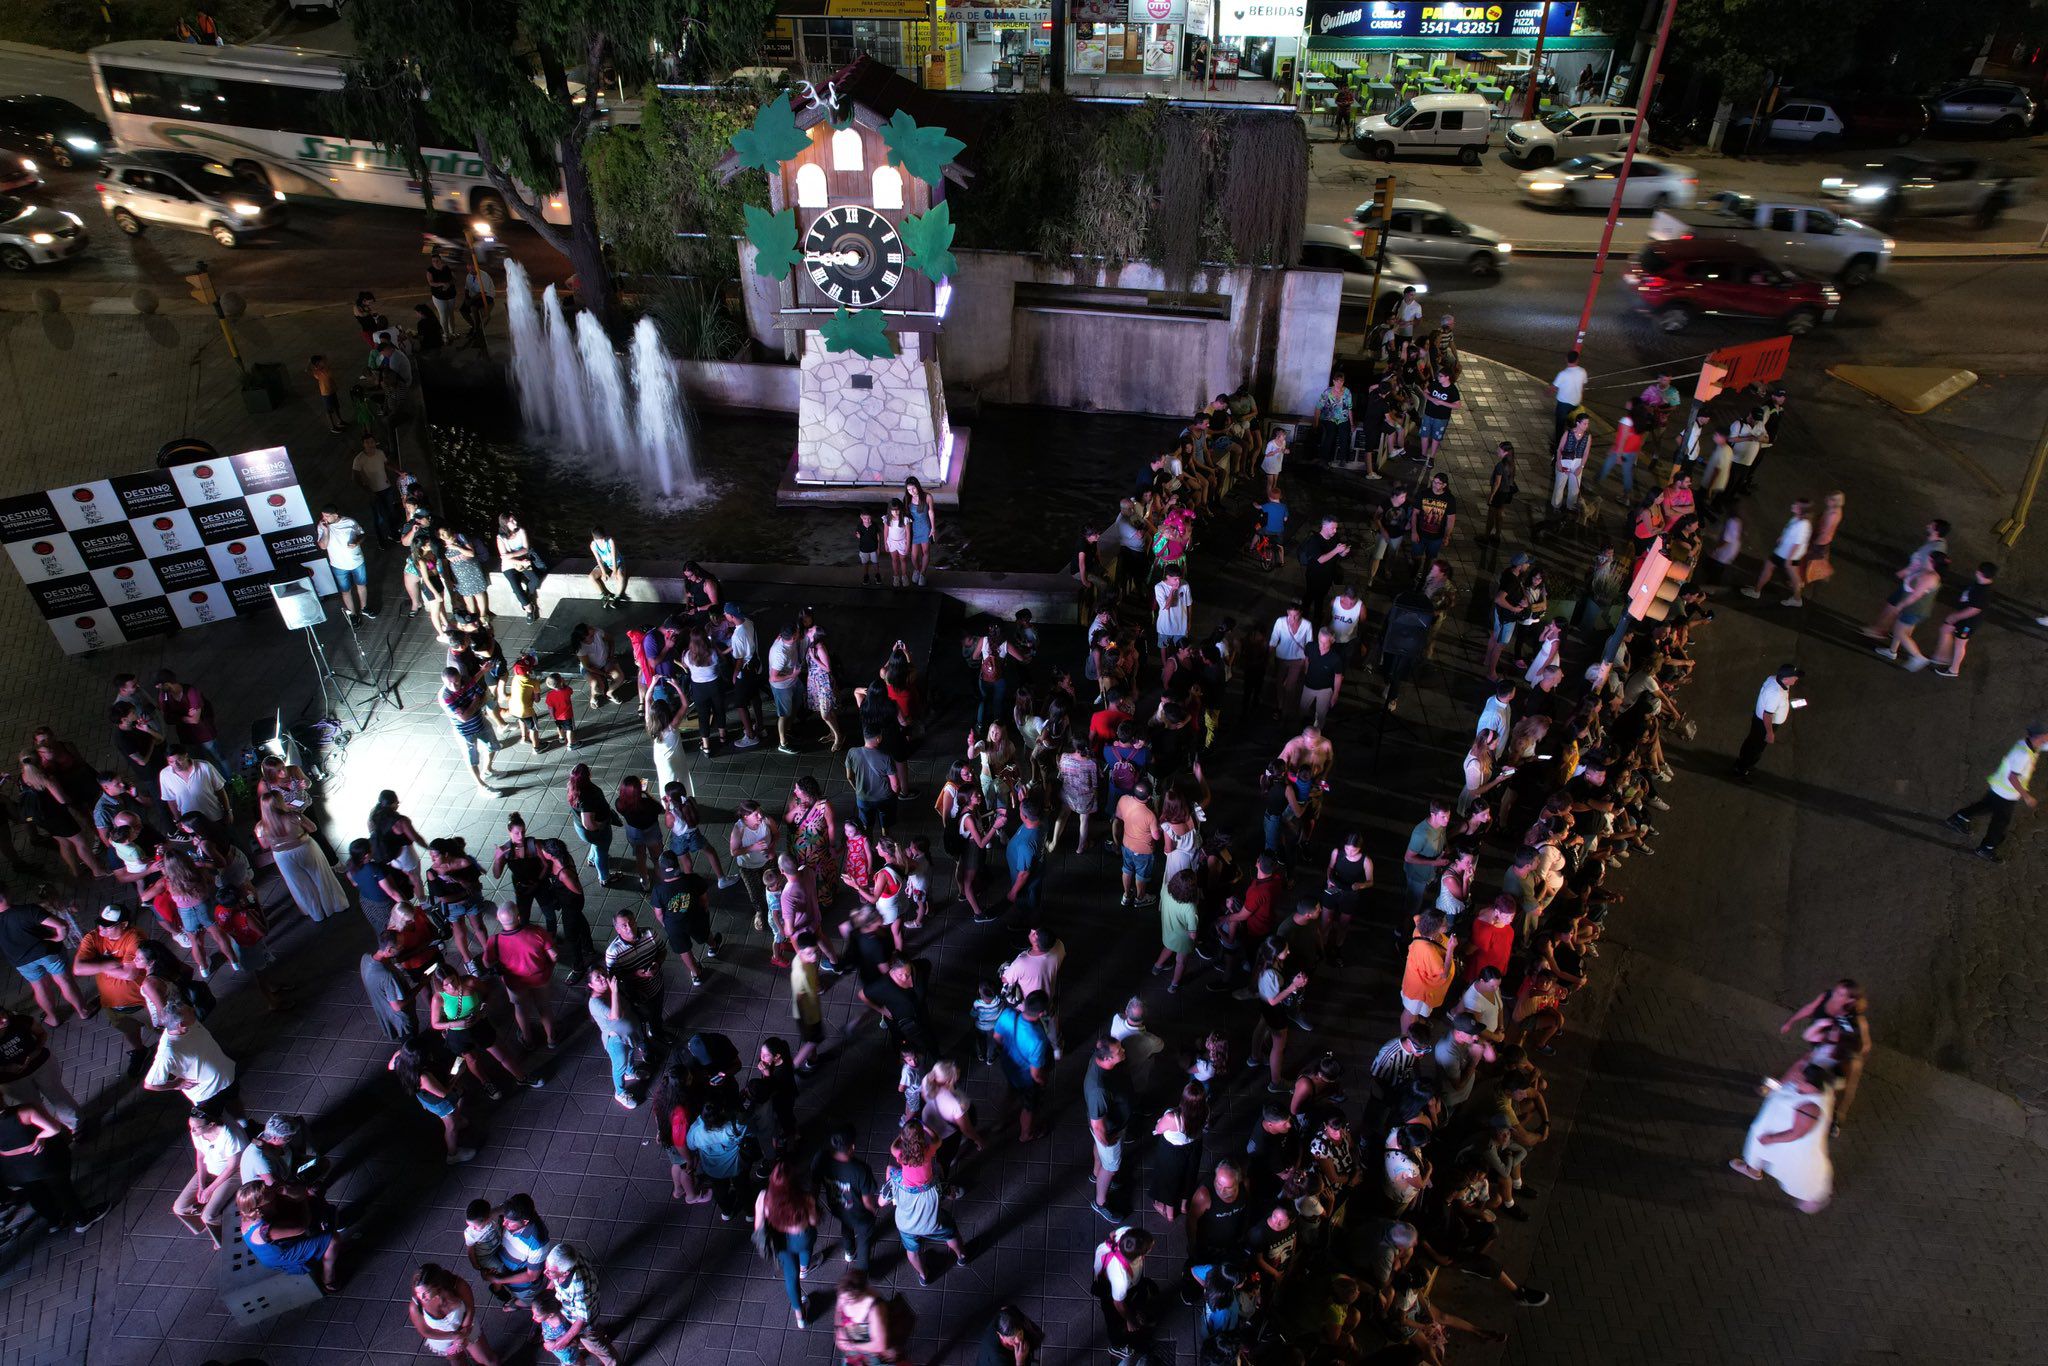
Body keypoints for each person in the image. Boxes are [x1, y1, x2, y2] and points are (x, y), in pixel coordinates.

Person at [1729, 1062, 1835, 1213]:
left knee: (1799, 1175)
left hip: (1790, 1144)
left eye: (1801, 1080)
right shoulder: (1815, 1089)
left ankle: (1810, 1197)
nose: (1797, 1080)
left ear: (1812, 1087)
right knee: (1759, 1149)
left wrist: (1771, 1139)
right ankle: (1753, 1170)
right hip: (1775, 1131)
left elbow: (1797, 1133)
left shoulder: (1810, 1108)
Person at [1947, 723, 2046, 862]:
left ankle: (1959, 818)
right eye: (2046, 735)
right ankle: (1986, 848)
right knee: (2000, 823)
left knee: (1986, 806)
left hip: (1998, 787)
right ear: (2038, 736)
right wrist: (2026, 796)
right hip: (2006, 793)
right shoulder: (2022, 754)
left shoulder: (2029, 744)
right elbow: (2012, 778)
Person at [0, 893, 88, 1027]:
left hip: (21, 961)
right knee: (64, 981)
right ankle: (83, 1012)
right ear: (5, 893)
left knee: (39, 987)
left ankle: (53, 1018)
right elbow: (62, 926)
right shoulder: (27, 910)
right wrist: (58, 938)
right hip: (46, 952)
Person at [753, 1160, 821, 1326]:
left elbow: (758, 1227)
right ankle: (804, 1268)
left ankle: (800, 1316)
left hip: (780, 1241)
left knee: (790, 1276)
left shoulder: (764, 1198)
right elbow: (814, 1221)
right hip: (801, 1238)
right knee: (806, 1248)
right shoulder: (806, 1199)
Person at [541, 1243, 619, 1366]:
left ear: (565, 1273)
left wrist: (563, 1341)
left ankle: (613, 1363)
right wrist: (546, 1293)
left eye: (550, 1271)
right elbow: (555, 1278)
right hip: (578, 1310)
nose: (545, 1272)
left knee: (596, 1346)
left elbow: (582, 1319)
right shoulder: (568, 1256)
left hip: (585, 1322)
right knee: (590, 1340)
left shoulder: (579, 1288)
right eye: (546, 1267)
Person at [407, 1261, 499, 1364]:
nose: (421, 1297)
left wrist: (465, 1331)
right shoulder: (416, 1306)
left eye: (426, 1292)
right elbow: (425, 1331)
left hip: (467, 1326)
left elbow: (469, 1309)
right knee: (457, 1361)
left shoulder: (458, 1285)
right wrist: (453, 1336)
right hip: (442, 1338)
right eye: (418, 1293)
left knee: (489, 1359)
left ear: (438, 1286)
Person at [1092, 1224, 1157, 1360]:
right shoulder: (1120, 1278)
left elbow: (1112, 1234)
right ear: (1139, 1256)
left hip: (1131, 1280)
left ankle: (1138, 1313)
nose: (1153, 1245)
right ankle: (1117, 1346)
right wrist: (1130, 1321)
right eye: (1149, 1247)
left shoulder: (1127, 1233)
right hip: (1111, 1292)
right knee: (1114, 1321)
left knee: (1139, 1294)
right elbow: (1118, 1303)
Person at [1734, 664, 1802, 783]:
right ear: (1786, 678)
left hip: (1759, 720)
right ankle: (1741, 770)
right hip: (1764, 725)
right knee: (1756, 748)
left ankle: (1742, 763)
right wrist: (1770, 733)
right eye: (1794, 677)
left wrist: (1787, 702)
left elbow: (1772, 703)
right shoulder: (1775, 693)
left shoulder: (1774, 679)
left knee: (1751, 742)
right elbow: (1767, 715)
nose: (1796, 679)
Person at [1929, 561, 1995, 678]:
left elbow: (1973, 610)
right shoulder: (1981, 584)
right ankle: (1942, 657)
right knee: (1945, 630)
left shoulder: (1983, 591)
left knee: (1960, 644)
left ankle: (1954, 669)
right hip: (1963, 617)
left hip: (1967, 623)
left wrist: (1954, 617)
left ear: (1979, 572)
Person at [1745, 499, 1813, 606]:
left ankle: (1756, 591)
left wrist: (1788, 560)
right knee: (1794, 576)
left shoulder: (1802, 526)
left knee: (1768, 567)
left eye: (1796, 505)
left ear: (1801, 510)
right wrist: (1782, 537)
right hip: (1789, 553)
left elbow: (1797, 543)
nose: (1793, 505)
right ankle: (1797, 598)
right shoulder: (1799, 519)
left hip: (1785, 554)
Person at [317, 505, 374, 623]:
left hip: (357, 561)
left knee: (361, 585)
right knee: (345, 591)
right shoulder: (322, 526)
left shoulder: (350, 522)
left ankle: (364, 608)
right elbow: (323, 546)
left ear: (336, 515)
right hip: (338, 565)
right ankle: (352, 615)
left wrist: (357, 542)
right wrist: (326, 530)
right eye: (323, 515)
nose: (324, 518)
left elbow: (362, 534)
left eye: (327, 516)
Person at [831, 1268, 891, 1365]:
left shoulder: (874, 1308)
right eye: (841, 1297)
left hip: (871, 1349)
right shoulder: (844, 1292)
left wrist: (852, 1345)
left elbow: (879, 1345)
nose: (842, 1301)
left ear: (860, 1295)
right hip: (855, 1337)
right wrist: (838, 1330)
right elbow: (838, 1310)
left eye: (848, 1300)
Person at [1550, 413, 1592, 514]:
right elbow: (1560, 448)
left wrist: (1581, 467)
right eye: (1584, 423)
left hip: (1578, 462)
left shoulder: (1588, 436)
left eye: (1587, 423)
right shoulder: (1568, 433)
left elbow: (1586, 453)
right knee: (1560, 484)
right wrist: (1559, 462)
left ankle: (1571, 506)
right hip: (1565, 460)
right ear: (1578, 423)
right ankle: (1556, 505)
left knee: (1574, 488)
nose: (1587, 426)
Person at [1313, 370, 1353, 464]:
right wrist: (1316, 423)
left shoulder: (1347, 392)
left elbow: (1349, 408)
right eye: (1337, 381)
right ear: (1334, 381)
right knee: (1330, 436)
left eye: (1341, 381)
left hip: (1343, 418)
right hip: (1329, 418)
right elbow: (1318, 408)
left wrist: (1352, 424)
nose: (1339, 383)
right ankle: (1325, 459)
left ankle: (1343, 458)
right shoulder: (1327, 392)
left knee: (1345, 437)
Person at [1550, 349, 1587, 444]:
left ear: (1566, 359)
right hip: (1576, 403)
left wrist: (1548, 392)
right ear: (1577, 360)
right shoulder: (1582, 372)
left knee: (1560, 424)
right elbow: (1582, 387)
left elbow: (1553, 388)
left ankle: (1558, 443)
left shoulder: (1563, 374)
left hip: (1563, 403)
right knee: (1573, 422)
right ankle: (1574, 438)